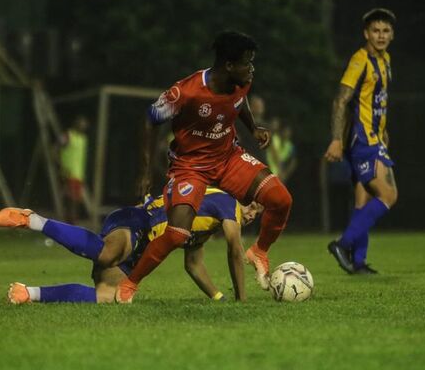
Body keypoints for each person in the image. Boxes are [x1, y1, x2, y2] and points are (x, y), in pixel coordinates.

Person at [115, 30, 293, 303]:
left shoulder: (241, 82)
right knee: (177, 234)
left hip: (228, 157)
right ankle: (129, 285)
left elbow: (238, 100)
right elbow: (149, 120)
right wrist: (144, 170)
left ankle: (259, 252)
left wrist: (252, 127)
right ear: (229, 66)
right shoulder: (186, 92)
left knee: (281, 199)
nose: (252, 69)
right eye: (247, 62)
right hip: (190, 167)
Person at [0, 188, 262, 303]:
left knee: (108, 297)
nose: (251, 214)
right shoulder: (227, 203)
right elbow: (235, 252)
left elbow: (193, 265)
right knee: (108, 254)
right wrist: (241, 300)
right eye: (251, 206)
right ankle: (33, 220)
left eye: (257, 213)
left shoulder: (206, 226)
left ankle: (29, 294)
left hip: (139, 252)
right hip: (136, 221)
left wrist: (219, 298)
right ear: (240, 198)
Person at [324, 8, 398, 275]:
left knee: (363, 201)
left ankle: (358, 262)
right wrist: (336, 140)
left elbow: (377, 101)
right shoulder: (360, 60)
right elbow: (341, 100)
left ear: (392, 34)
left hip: (374, 137)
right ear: (366, 33)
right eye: (375, 31)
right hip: (363, 140)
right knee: (389, 194)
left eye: (385, 31)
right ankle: (342, 245)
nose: (380, 35)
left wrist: (384, 131)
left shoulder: (385, 59)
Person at [59, 115, 88, 224]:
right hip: (69, 173)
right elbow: (55, 149)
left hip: (78, 175)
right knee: (70, 201)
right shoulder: (68, 135)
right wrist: (62, 167)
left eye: (85, 124)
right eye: (81, 123)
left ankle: (70, 225)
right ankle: (70, 224)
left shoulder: (83, 139)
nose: (83, 126)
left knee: (75, 201)